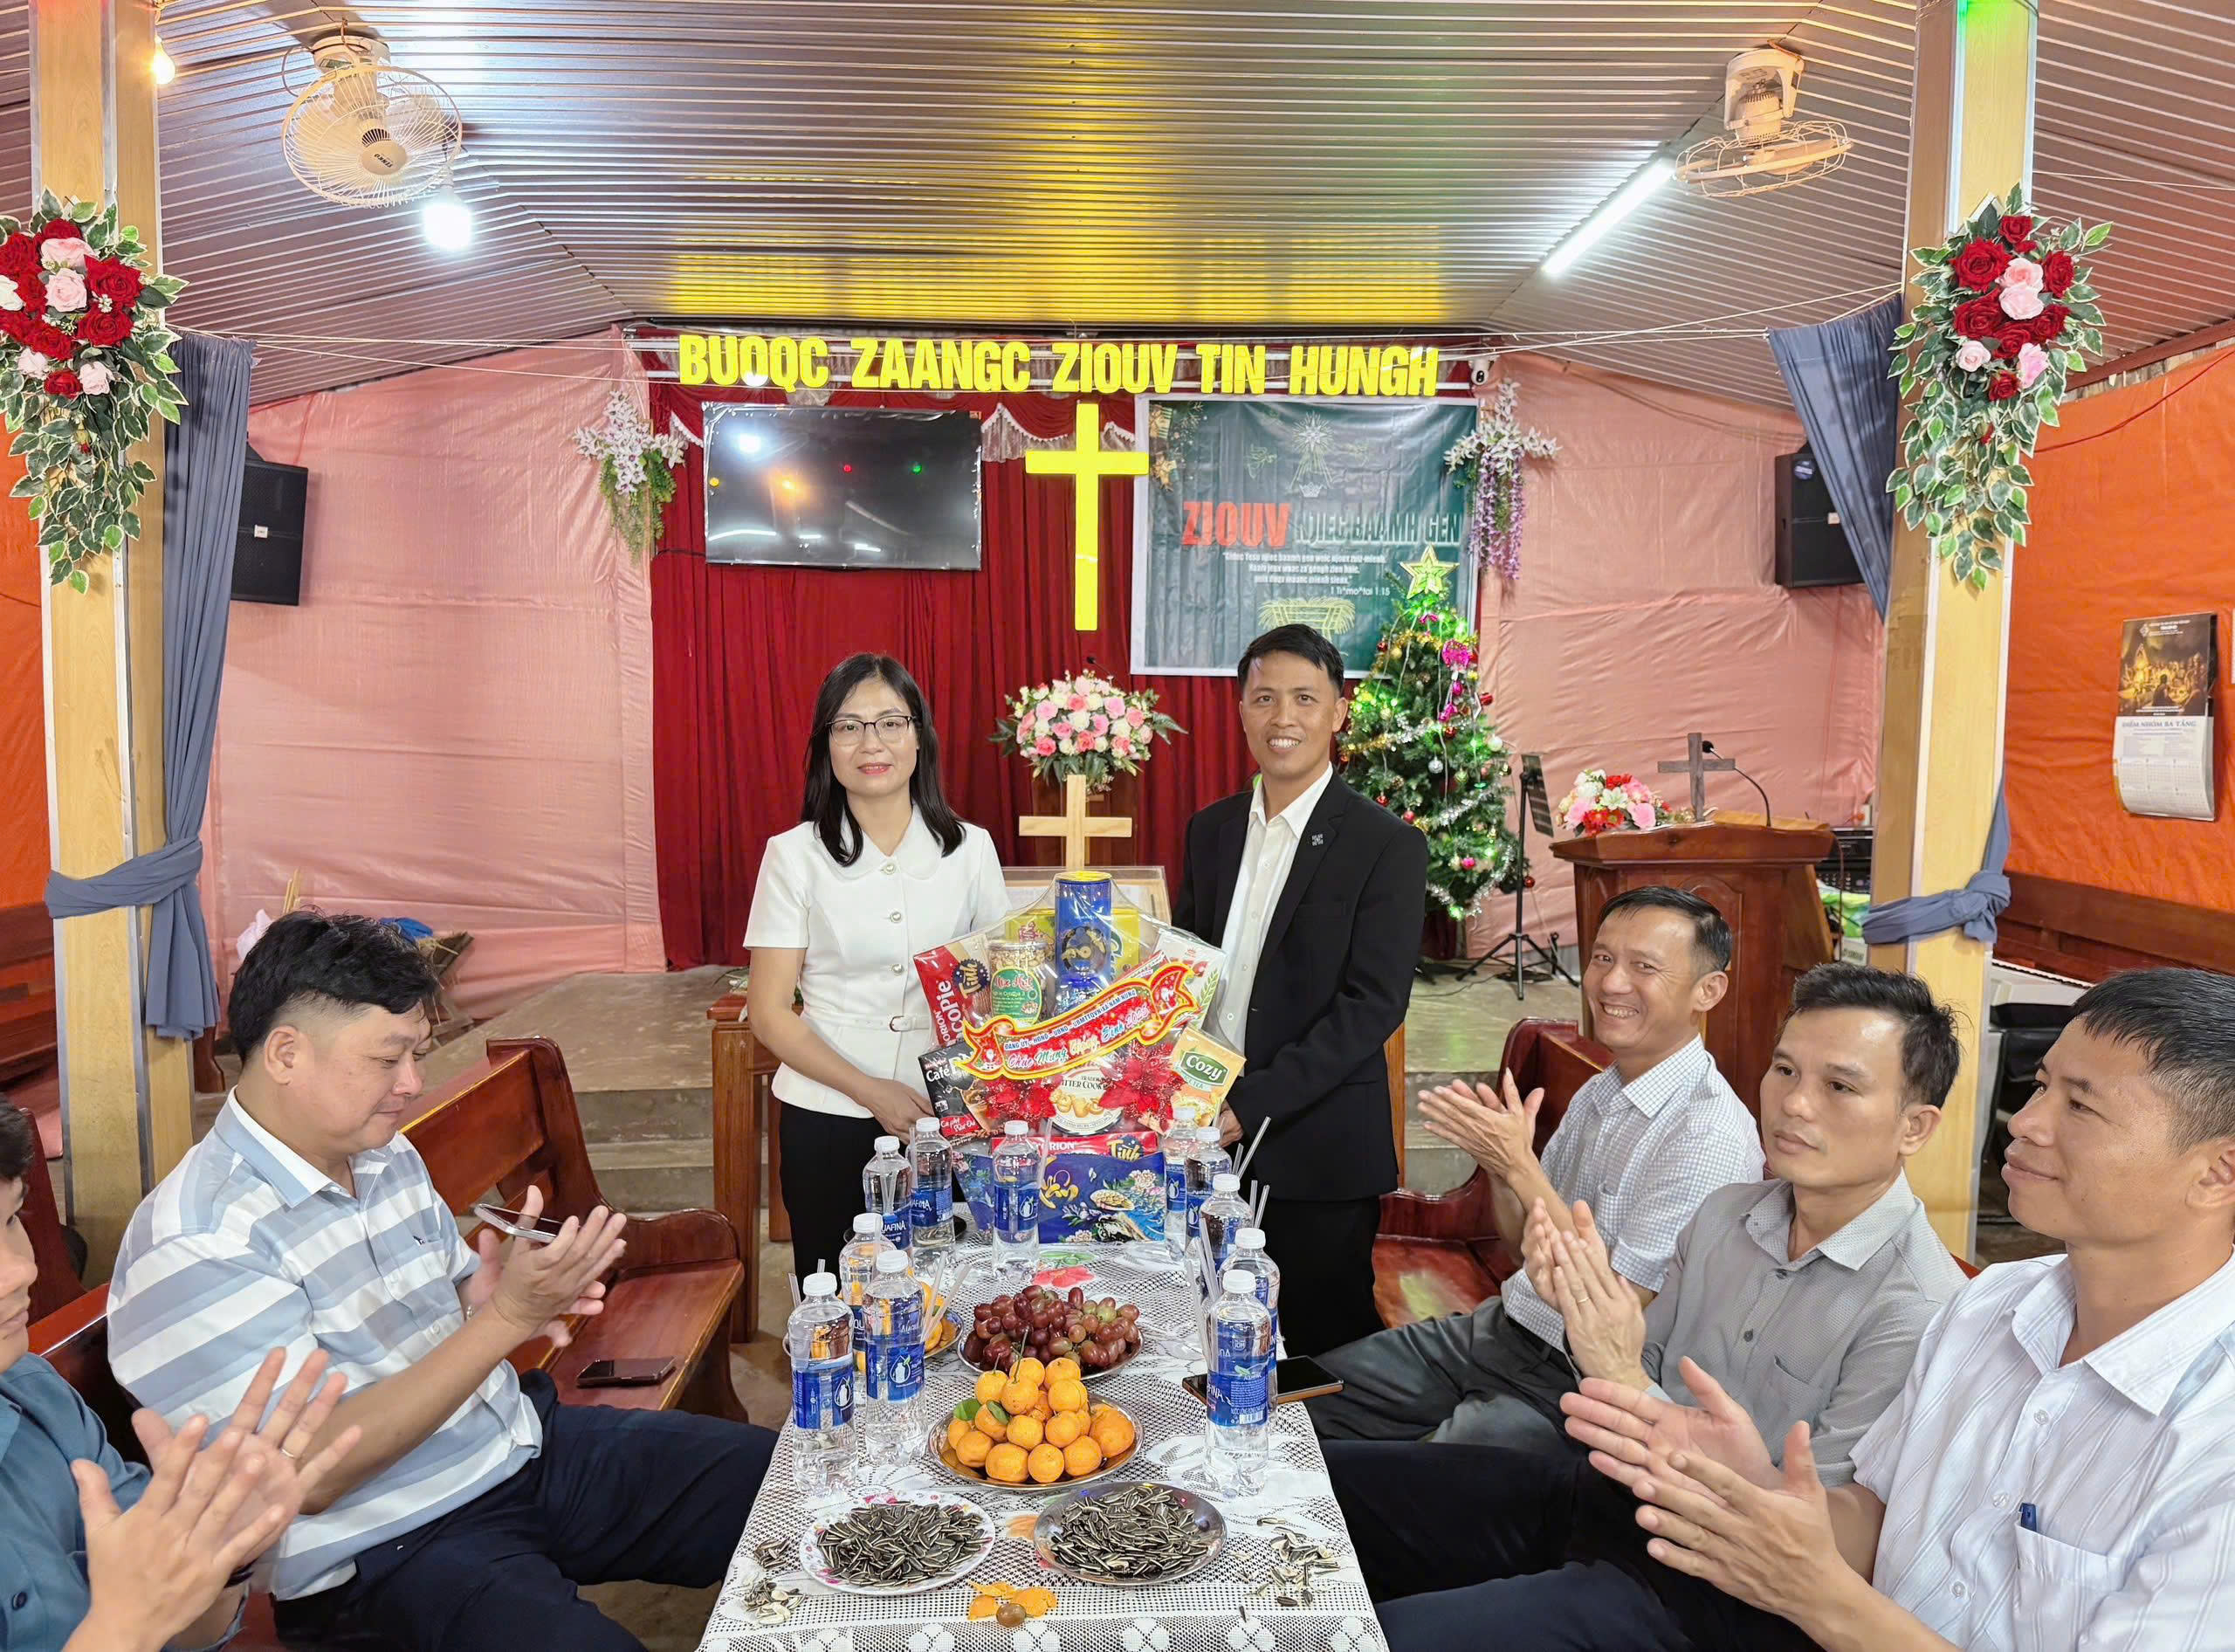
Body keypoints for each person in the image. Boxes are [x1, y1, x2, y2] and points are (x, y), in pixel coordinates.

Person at [107, 912, 777, 1652]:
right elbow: (307, 1472)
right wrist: (505, 1320)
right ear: (287, 1053)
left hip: (511, 1444)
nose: (412, 1082)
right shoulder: (199, 1238)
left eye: (417, 1054)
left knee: (790, 1486)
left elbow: (449, 1302)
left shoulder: (379, 1153)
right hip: (386, 1546)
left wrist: (484, 1296)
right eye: (388, 1058)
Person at [1551, 964, 2235, 1651]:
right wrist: (1758, 1485)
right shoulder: (1991, 1307)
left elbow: (1824, 1594)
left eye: (2080, 1107)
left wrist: (1821, 1597)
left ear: (2217, 1173)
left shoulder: (2215, 1443)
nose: (2026, 1123)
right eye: (2040, 1087)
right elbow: (1875, 1515)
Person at [1325, 963, 1972, 1649]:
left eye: (1839, 1086)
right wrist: (1587, 1314)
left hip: (1717, 1588)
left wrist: (1616, 1364)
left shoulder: (1919, 1308)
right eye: (1785, 1071)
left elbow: (1814, 1544)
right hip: (1608, 1497)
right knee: (1321, 1486)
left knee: (1381, 1638)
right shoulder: (1726, 1215)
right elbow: (1633, 1373)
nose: (1796, 1103)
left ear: (1915, 1127)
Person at [1312, 885, 1761, 1445]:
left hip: (1579, 1385)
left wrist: (1521, 1166)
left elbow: (1606, 1313)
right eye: (1603, 958)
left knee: (1393, 1480)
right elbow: (1522, 1248)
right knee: (1292, 1396)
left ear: (1708, 990)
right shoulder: (1604, 1090)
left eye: (1644, 967)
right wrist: (1502, 1173)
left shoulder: (1707, 1136)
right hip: (1504, 1328)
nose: (1611, 983)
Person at [0, 1097, 360, 1652]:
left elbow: (187, 1634)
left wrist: (223, 1552)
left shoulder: (35, 1398)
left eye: (11, 1220)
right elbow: (136, 1624)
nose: (22, 1269)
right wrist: (122, 1628)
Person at [1172, 623, 1428, 1356]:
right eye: (1265, 698)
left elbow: (1372, 1005)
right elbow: (1186, 974)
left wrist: (1249, 1105)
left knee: (1322, 1348)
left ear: (1338, 712)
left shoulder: (1386, 844)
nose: (1283, 717)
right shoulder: (1211, 831)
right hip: (1206, 1130)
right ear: (1242, 710)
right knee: (1202, 1330)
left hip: (1317, 1149)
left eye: (1305, 699)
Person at [745, 652, 1009, 1286]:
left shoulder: (970, 850)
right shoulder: (793, 856)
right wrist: (869, 1090)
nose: (872, 743)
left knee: (952, 1297)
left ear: (920, 737)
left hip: (950, 1115)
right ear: (825, 746)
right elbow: (770, 1013)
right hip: (828, 1111)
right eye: (849, 726)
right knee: (837, 1299)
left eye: (891, 722)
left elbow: (999, 989)